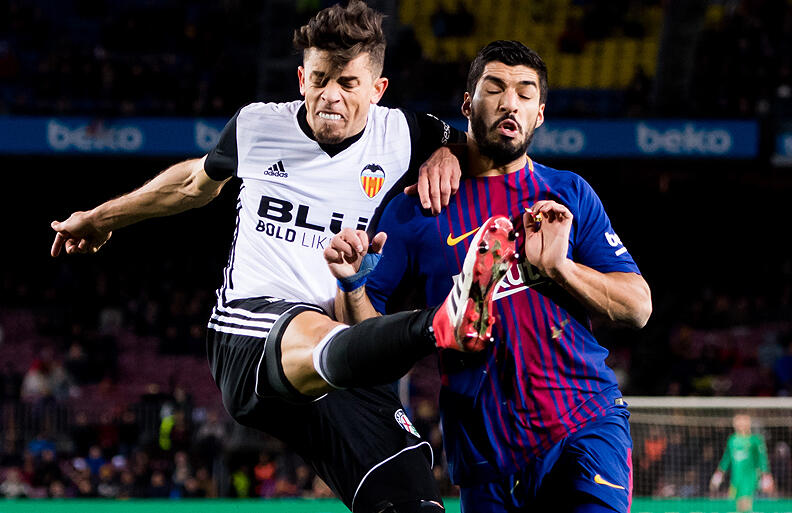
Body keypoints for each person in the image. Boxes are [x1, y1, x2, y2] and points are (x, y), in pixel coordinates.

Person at [49, 2, 507, 512]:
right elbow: (191, 185)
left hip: (340, 353)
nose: (330, 95)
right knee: (324, 334)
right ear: (302, 79)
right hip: (249, 335)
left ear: (377, 90)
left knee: (409, 497)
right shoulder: (258, 125)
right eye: (320, 79)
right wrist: (99, 218)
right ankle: (440, 323)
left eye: (348, 83)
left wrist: (447, 150)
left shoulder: (400, 133)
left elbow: (467, 142)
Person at [326, 40, 652, 513]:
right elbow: (362, 339)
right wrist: (352, 285)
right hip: (485, 451)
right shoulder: (417, 207)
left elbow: (638, 306)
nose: (509, 102)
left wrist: (560, 268)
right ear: (467, 104)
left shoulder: (568, 193)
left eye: (525, 93)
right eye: (495, 88)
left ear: (539, 115)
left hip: (584, 422)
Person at [710, 413, 774, 513]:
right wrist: (719, 473)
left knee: (745, 503)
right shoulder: (732, 440)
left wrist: (766, 475)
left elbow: (762, 459)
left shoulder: (755, 440)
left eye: (743, 422)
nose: (740, 424)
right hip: (736, 477)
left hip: (750, 476)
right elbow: (726, 458)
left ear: (748, 424)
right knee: (737, 504)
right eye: (738, 422)